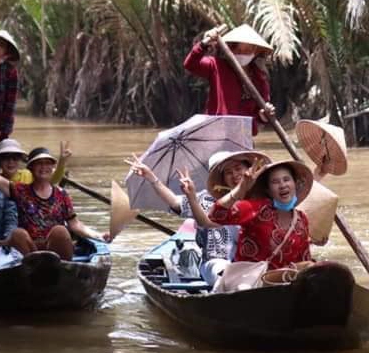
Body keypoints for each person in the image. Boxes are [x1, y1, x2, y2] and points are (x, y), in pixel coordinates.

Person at [126, 150, 272, 286]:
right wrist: (151, 178)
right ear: (221, 179)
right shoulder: (207, 200)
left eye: (238, 169)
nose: (235, 175)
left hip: (255, 261)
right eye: (228, 172)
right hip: (217, 262)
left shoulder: (261, 197)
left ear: (248, 170)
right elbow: (176, 203)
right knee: (224, 273)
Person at [0, 140, 108, 261]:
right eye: (39, 164)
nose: (44, 167)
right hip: (30, 250)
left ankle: (61, 271)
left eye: (47, 163)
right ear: (31, 168)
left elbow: (75, 224)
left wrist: (99, 235)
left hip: (57, 252)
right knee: (18, 234)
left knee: (60, 231)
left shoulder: (61, 194)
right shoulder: (21, 191)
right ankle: (33, 268)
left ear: (52, 168)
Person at [208, 159, 316, 270]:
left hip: (285, 282)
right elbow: (216, 215)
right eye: (275, 182)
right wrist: (241, 188)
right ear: (268, 190)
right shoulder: (255, 209)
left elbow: (304, 258)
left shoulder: (301, 219)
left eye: (286, 179)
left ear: (295, 184)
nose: (282, 185)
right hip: (252, 282)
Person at [183, 24, 276, 135]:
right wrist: (203, 44)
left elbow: (259, 114)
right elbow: (190, 65)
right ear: (230, 49)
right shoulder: (216, 66)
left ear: (255, 51)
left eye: (247, 50)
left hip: (242, 134)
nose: (242, 53)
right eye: (238, 49)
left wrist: (263, 116)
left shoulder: (259, 78)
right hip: (217, 132)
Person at [0, 139, 70, 185]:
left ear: (20, 160)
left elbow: (53, 180)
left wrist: (62, 162)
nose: (11, 162)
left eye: (14, 158)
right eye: (6, 158)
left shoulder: (28, 175)